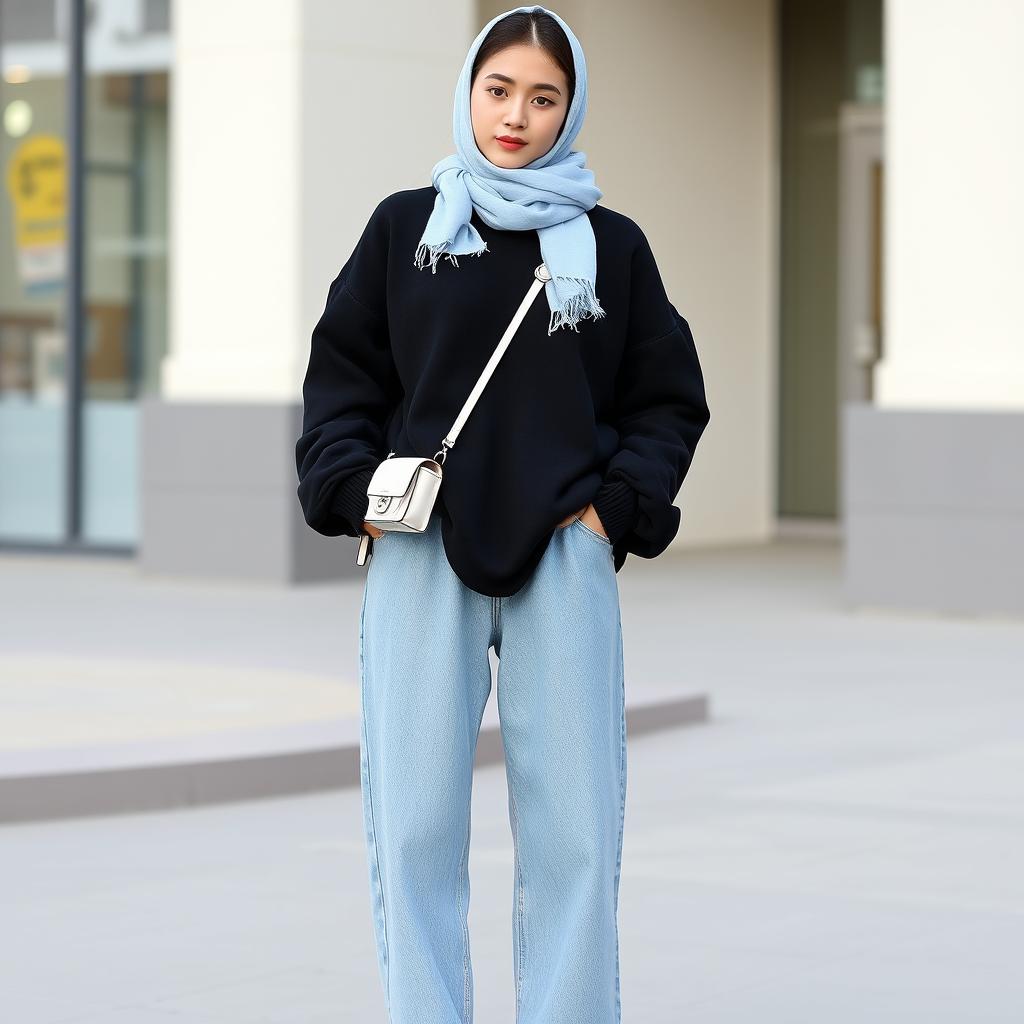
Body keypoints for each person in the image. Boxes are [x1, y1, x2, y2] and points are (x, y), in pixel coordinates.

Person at [295, 6, 711, 1022]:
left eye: (542, 97)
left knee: (575, 833)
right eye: (498, 90)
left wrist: (615, 511)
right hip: (420, 555)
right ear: (467, 92)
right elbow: (342, 378)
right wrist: (354, 492)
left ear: (569, 110)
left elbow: (667, 399)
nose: (516, 115)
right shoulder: (408, 228)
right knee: (413, 829)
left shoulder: (611, 247)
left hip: (562, 559)